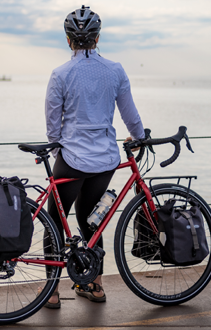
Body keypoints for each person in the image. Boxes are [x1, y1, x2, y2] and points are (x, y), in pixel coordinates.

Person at [43, 5, 145, 308]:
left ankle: (52, 291)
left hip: (72, 159)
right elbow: (130, 115)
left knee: (54, 221)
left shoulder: (60, 74)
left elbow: (52, 127)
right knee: (92, 219)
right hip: (105, 159)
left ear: (68, 39)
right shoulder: (115, 70)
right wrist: (138, 137)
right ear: (97, 38)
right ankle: (94, 286)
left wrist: (61, 143)